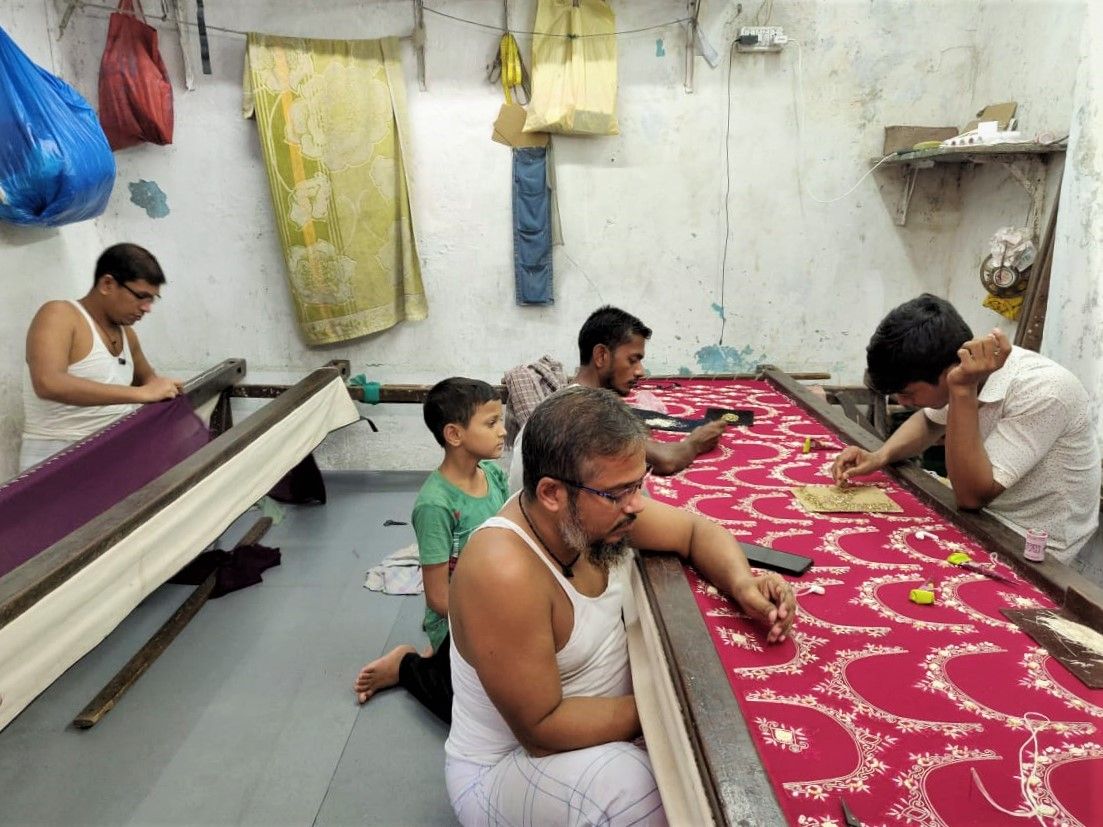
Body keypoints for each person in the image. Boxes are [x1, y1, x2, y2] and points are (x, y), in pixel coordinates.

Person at [446, 386, 796, 825]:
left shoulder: (592, 514)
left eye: (638, 484)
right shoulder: (504, 572)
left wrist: (743, 584)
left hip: (588, 734)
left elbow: (695, 532)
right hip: (508, 766)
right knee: (638, 788)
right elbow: (542, 729)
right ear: (552, 493)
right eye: (619, 493)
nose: (636, 505)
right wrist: (674, 706)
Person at [831, 294, 1100, 575]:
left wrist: (962, 389)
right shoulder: (965, 368)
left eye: (907, 393)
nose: (903, 402)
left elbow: (971, 497)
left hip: (1034, 543)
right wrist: (879, 456)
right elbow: (928, 422)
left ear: (950, 372)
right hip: (984, 518)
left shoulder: (1044, 391)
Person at [354, 377, 508, 722]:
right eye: (491, 423)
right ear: (454, 435)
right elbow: (438, 599)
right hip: (462, 619)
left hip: (495, 603)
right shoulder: (435, 505)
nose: (503, 431)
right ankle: (407, 665)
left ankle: (440, 660)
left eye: (500, 421)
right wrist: (495, 615)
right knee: (475, 716)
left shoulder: (493, 475)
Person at [507, 305, 726, 492]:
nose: (640, 371)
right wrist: (696, 442)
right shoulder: (586, 411)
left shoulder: (566, 399)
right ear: (601, 356)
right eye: (633, 360)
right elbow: (666, 460)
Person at [20, 243, 181, 471]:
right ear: (107, 284)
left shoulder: (126, 334)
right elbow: (48, 383)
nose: (147, 308)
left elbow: (149, 381)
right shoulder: (59, 315)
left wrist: (166, 388)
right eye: (141, 297)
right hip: (57, 463)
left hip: (116, 458)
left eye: (152, 300)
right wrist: (141, 394)